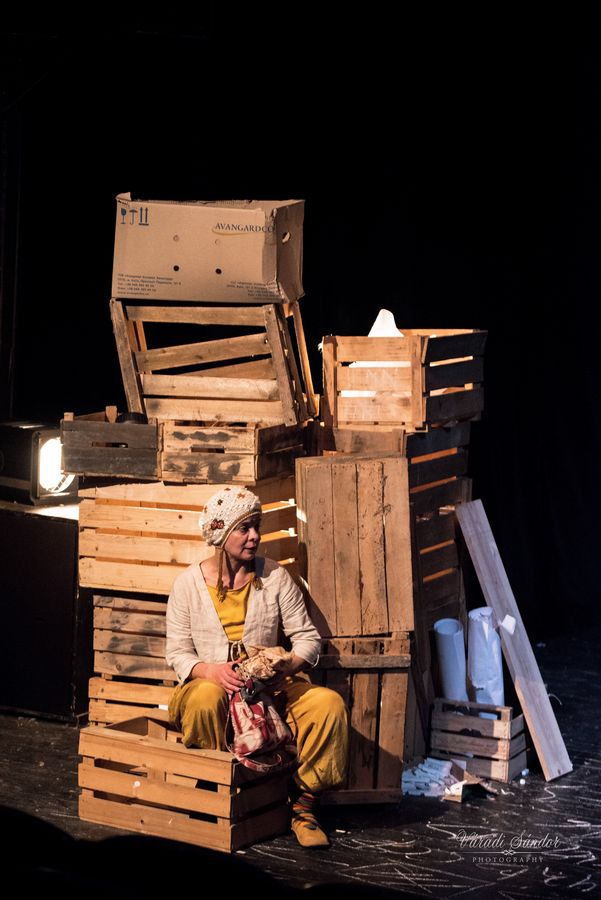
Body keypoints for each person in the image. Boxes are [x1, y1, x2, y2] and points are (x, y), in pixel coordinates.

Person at [166, 485, 349, 848]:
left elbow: (308, 639)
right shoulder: (187, 585)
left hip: (269, 687)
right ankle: (212, 793)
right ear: (220, 534)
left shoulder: (274, 578)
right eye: (244, 528)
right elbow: (178, 653)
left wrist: (286, 665)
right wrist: (212, 671)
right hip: (213, 684)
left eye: (256, 527)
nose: (254, 536)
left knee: (328, 705)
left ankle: (303, 806)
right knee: (203, 698)